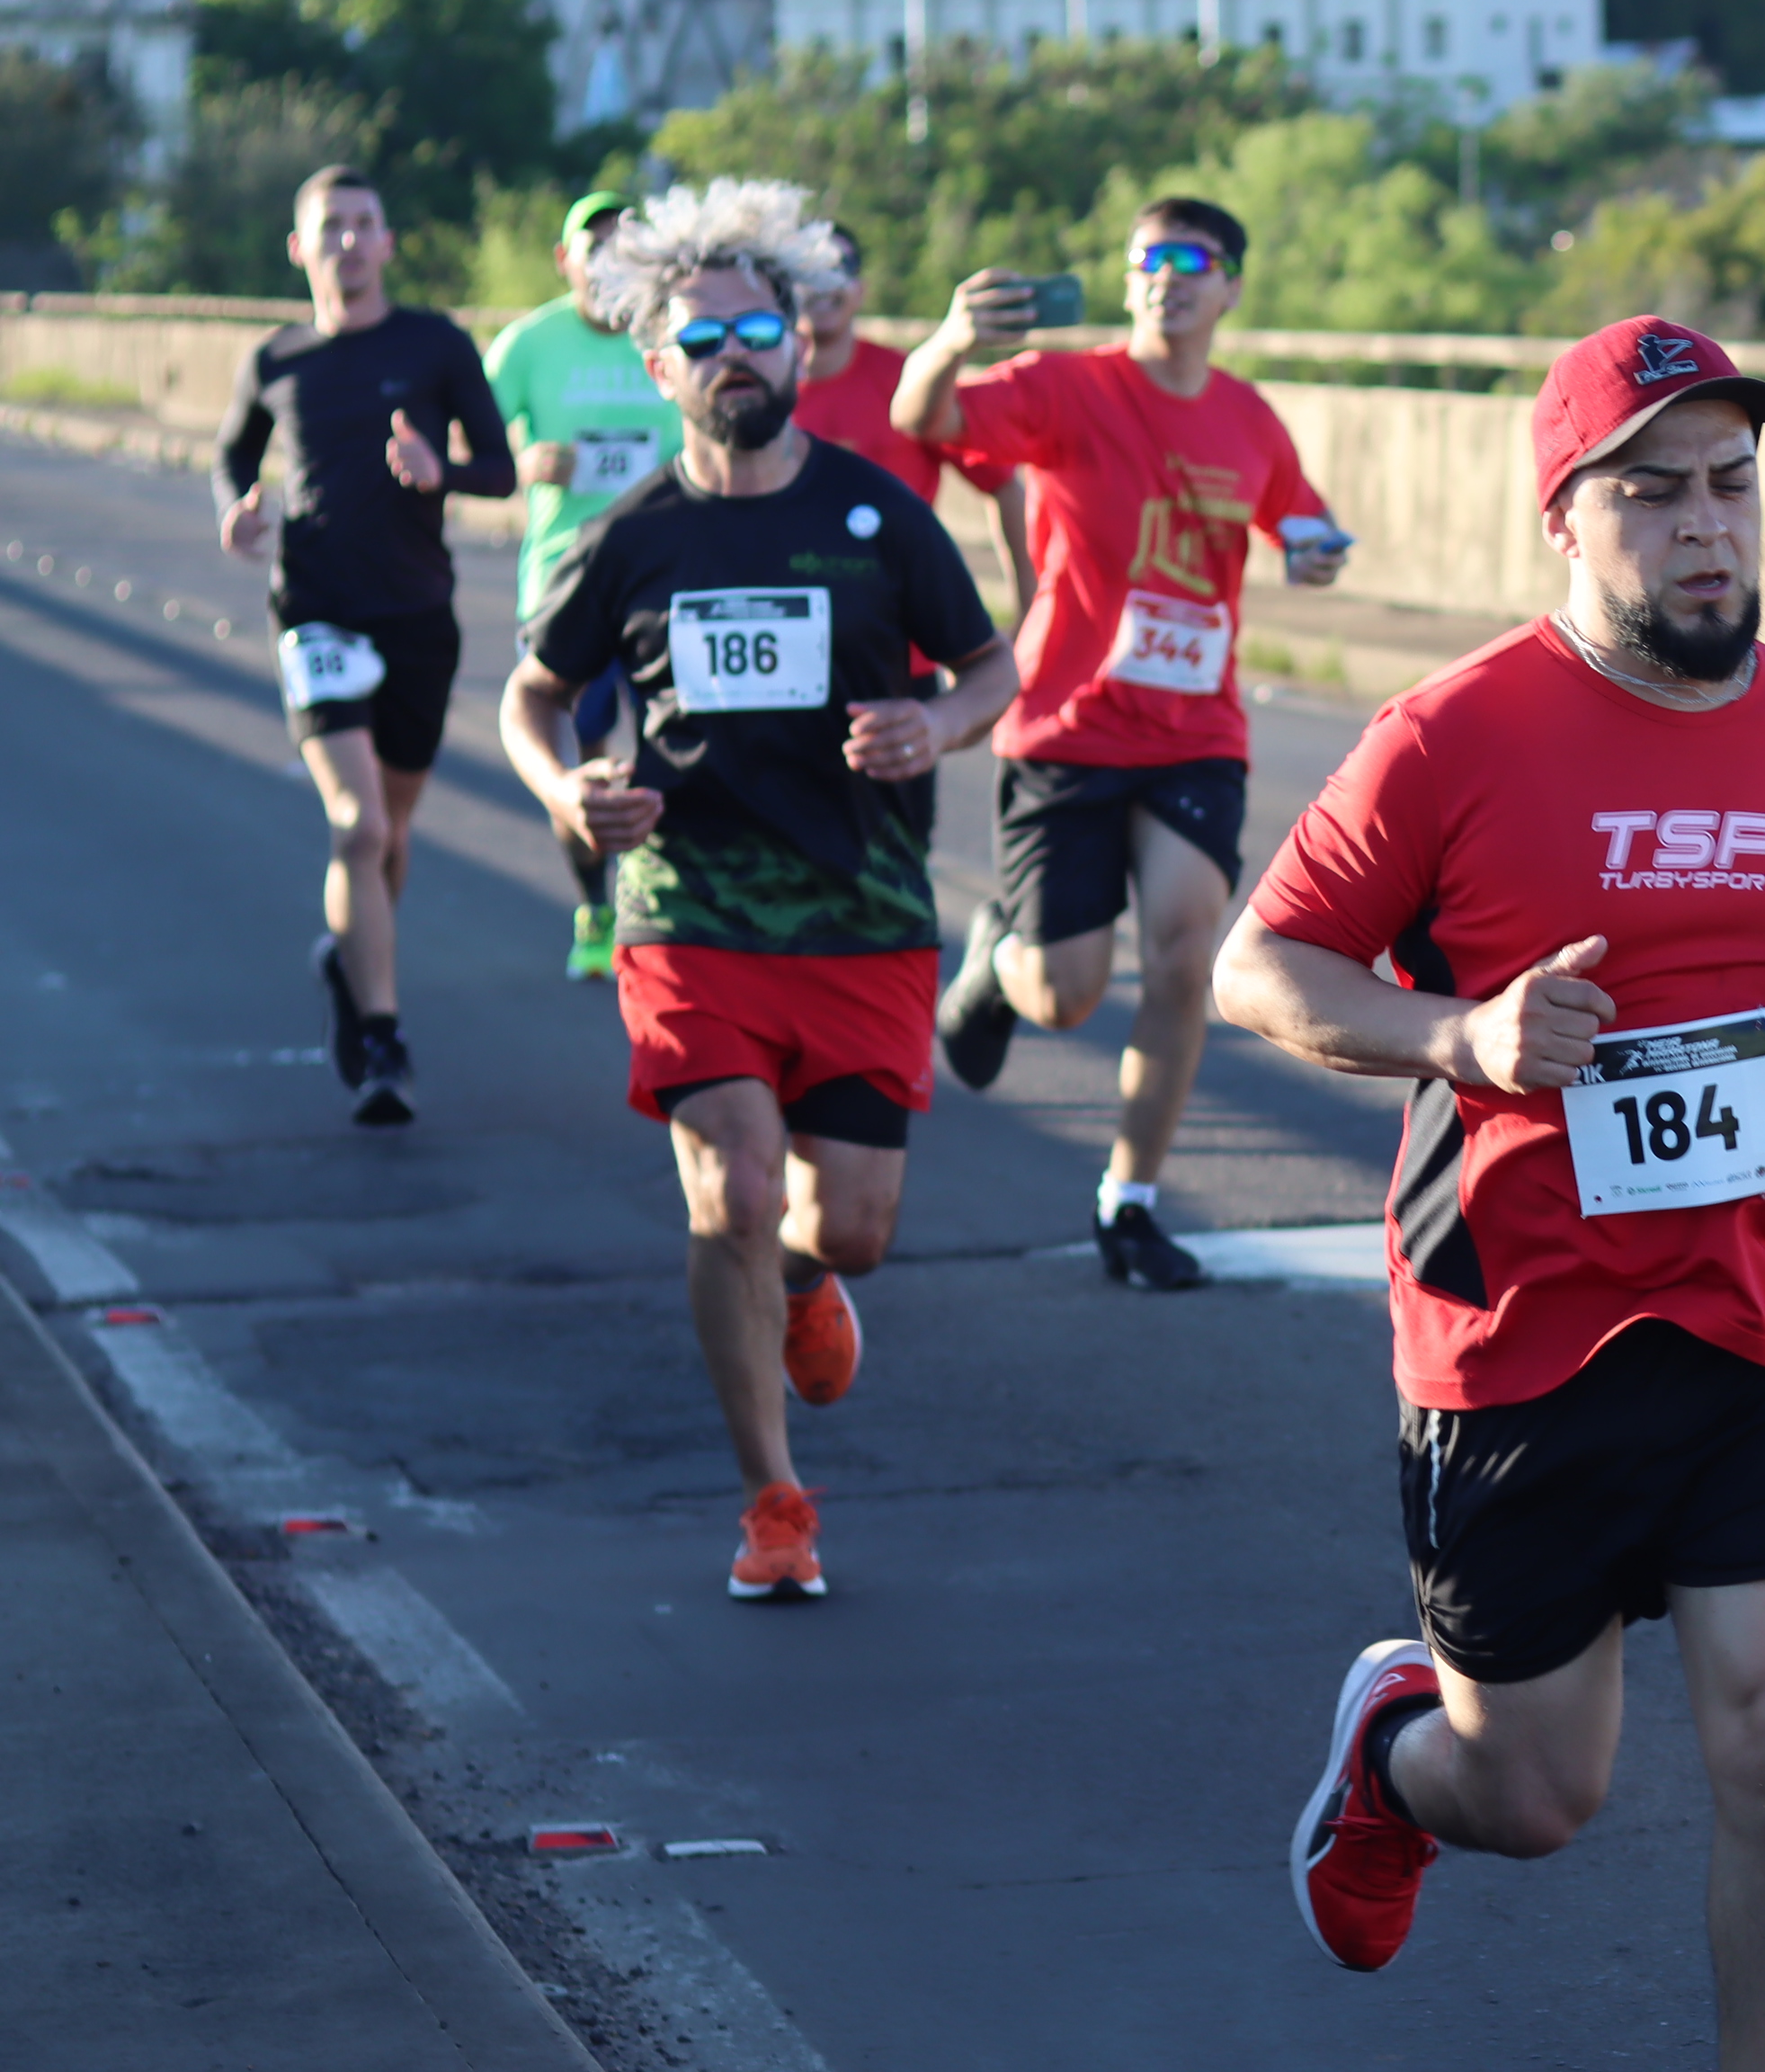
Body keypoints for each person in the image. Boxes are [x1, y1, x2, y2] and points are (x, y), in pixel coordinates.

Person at [1215, 316, 1765, 2072]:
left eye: (1729, 482)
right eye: (1652, 489)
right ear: (1562, 516)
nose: (1704, 524)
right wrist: (1450, 1034)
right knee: (1536, 1792)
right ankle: (1396, 1755)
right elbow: (1260, 961)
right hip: (1518, 1329)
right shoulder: (1454, 737)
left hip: (1755, 1308)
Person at [496, 180, 1017, 1602]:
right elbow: (531, 701)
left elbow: (991, 669)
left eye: (760, 327)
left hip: (860, 905)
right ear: (656, 365)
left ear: (803, 346)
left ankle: (805, 1285)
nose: (737, 354)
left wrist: (942, 727)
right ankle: (773, 1502)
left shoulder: (879, 516)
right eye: (703, 335)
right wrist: (565, 793)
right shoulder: (634, 536)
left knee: (847, 1223)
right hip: (689, 903)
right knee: (725, 1189)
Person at [893, 195, 1350, 1291]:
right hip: (1068, 722)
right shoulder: (1067, 387)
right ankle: (997, 971)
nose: (1165, 276)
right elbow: (923, 416)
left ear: (1231, 286)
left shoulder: (1248, 418)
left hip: (1197, 731)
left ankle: (1129, 1201)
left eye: (1192, 259)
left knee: (1189, 954)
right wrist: (953, 340)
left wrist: (1314, 548)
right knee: (1067, 993)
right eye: (1147, 259)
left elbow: (1297, 516)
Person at [218, 165, 516, 1124]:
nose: (349, 241)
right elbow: (232, 455)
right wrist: (237, 511)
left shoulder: (435, 345)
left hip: (419, 613)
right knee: (359, 826)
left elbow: (502, 468)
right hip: (315, 606)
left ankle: (351, 961)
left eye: (364, 224)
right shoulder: (277, 358)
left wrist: (443, 472)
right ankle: (383, 1041)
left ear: (388, 242)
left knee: (392, 834)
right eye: (330, 227)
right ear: (300, 247)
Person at [486, 192, 678, 982]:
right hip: (567, 579)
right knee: (584, 758)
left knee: (671, 749)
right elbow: (460, 447)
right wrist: (522, 465)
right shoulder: (528, 346)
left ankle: (672, 905)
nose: (606, 263)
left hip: (667, 577)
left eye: (623, 247)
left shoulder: (673, 338)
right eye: (591, 248)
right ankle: (595, 898)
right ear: (564, 261)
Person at [788, 219, 1035, 594]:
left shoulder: (909, 381)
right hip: (790, 621)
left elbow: (1004, 487)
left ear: (862, 289)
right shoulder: (753, 391)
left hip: (898, 631)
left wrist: (1027, 606)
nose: (823, 284)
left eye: (839, 268)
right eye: (807, 269)